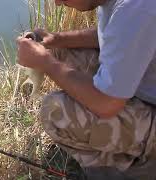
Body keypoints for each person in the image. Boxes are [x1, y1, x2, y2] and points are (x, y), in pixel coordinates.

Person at [16, 0, 156, 179]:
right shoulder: (123, 7)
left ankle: (130, 172)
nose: (58, 3)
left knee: (54, 111)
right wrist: (57, 39)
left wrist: (46, 63)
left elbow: (107, 104)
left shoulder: (138, 7)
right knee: (58, 51)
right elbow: (116, 31)